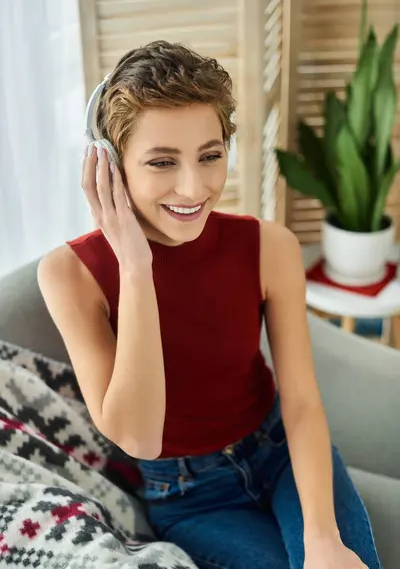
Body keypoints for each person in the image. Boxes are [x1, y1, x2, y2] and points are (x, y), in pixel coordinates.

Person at [38, 40, 380, 569]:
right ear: (108, 163)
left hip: (283, 452)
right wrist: (135, 263)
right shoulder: (70, 275)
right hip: (188, 495)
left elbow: (303, 402)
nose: (194, 186)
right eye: (161, 161)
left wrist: (323, 538)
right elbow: (139, 436)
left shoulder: (270, 247)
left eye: (210, 155)